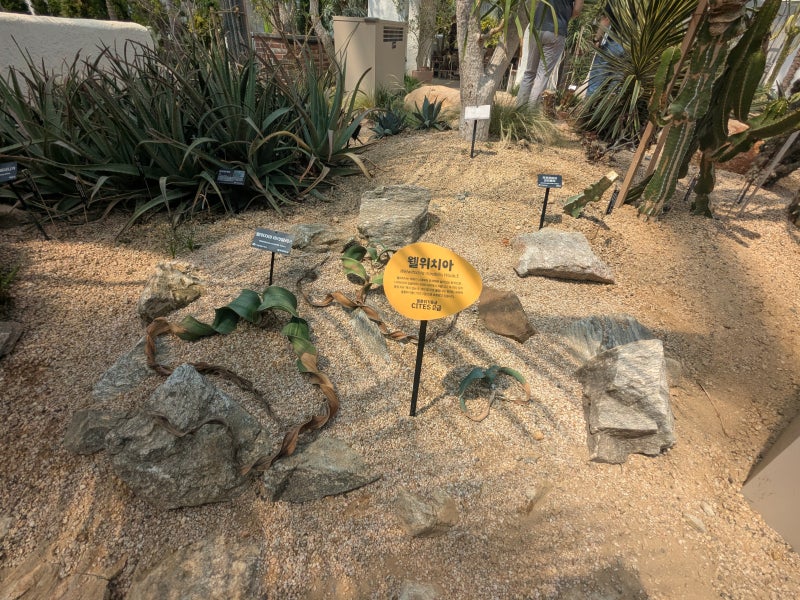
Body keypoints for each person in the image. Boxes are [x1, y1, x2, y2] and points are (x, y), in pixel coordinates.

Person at [516, 0, 584, 108]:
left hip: (536, 27)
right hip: (556, 31)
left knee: (529, 72)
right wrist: (563, 14)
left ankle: (518, 111)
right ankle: (529, 116)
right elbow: (576, 10)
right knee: (542, 75)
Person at [586, 11, 624, 96]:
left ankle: (589, 105)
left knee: (597, 78)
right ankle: (608, 106)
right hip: (630, 47)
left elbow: (606, 20)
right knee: (615, 82)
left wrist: (596, 39)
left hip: (613, 43)